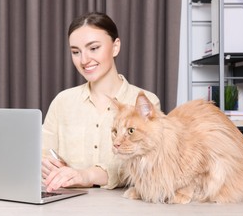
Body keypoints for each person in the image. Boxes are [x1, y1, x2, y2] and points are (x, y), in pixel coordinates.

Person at [42, 12, 160, 192]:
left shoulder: (146, 103)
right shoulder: (62, 102)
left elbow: (148, 167)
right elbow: (42, 154)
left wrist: (87, 175)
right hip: (65, 206)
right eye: (76, 52)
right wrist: (45, 165)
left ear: (115, 47)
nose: (84, 60)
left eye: (94, 48)